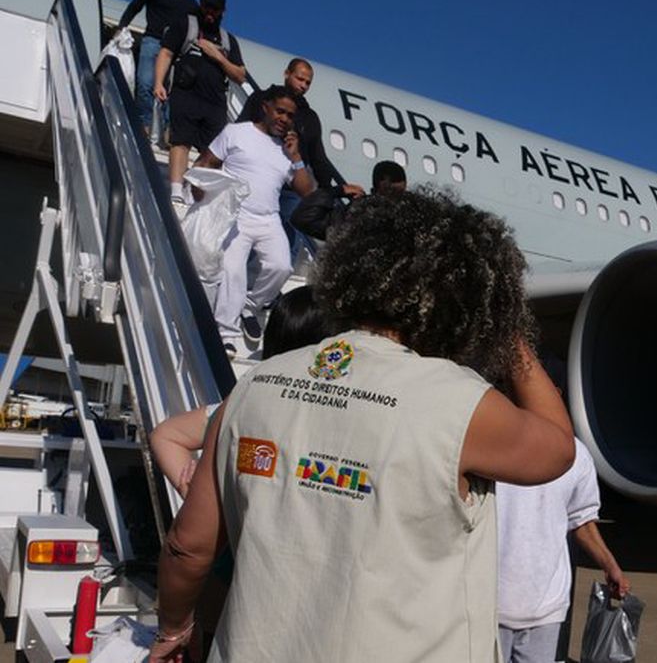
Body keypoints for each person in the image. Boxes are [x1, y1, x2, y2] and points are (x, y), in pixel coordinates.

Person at [149, 187, 575, 663]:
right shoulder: (461, 404)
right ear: (464, 301)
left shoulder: (253, 388)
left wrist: (174, 628)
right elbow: (557, 446)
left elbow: (188, 548)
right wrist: (507, 329)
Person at [151, 285, 332, 496]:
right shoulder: (251, 405)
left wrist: (194, 493)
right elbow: (166, 435)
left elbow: (167, 435)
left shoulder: (249, 403)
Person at [192, 85, 315, 355]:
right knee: (233, 271)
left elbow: (307, 191)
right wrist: (199, 187)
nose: (284, 119)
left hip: (268, 218)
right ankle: (226, 332)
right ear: (265, 108)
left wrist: (295, 158)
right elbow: (207, 160)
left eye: (290, 115)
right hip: (237, 214)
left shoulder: (286, 150)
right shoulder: (236, 133)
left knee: (281, 266)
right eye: (280, 111)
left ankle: (250, 306)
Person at [496, 437, 630, 662]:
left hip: (547, 606)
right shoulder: (489, 444)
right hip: (487, 606)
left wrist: (609, 565)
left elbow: (582, 519)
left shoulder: (575, 453)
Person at [236, 58, 361, 261]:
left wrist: (332, 192)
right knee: (247, 239)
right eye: (300, 79)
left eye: (308, 82)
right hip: (260, 180)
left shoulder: (309, 117)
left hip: (291, 187)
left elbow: (318, 157)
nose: (303, 85)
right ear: (287, 74)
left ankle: (269, 290)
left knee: (286, 248)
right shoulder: (261, 101)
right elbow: (240, 130)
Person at [154, 0, 246, 205]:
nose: (210, 13)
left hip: (214, 102)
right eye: (207, 7)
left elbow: (240, 75)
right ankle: (176, 188)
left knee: (210, 152)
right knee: (181, 141)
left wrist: (218, 57)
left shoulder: (227, 40)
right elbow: (166, 53)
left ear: (223, 11)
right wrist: (159, 82)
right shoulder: (186, 25)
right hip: (186, 94)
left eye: (215, 9)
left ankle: (191, 186)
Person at [116, 0, 199, 140]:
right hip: (152, 41)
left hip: (175, 51)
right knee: (145, 83)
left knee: (170, 90)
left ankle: (168, 130)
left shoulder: (191, 4)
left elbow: (197, 29)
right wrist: (121, 26)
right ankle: (144, 124)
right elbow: (135, 6)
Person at [290, 160, 406, 240]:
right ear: (379, 188)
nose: (396, 200)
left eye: (401, 193)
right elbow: (304, 219)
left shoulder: (409, 215)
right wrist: (336, 191)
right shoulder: (360, 213)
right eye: (391, 191)